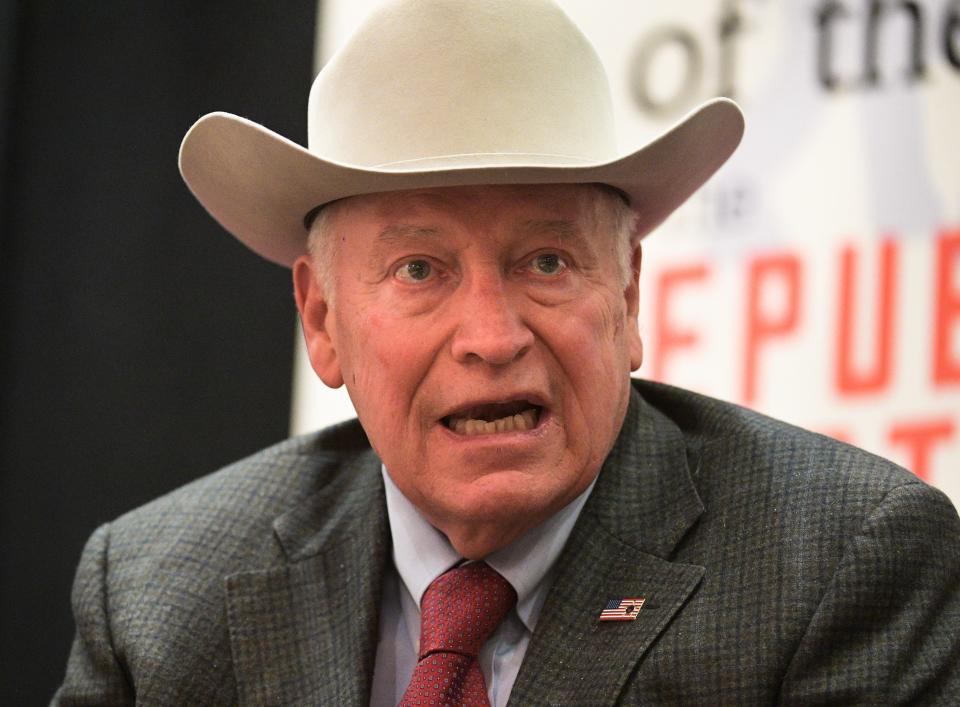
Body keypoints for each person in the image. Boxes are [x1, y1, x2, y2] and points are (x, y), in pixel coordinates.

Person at [54, 0, 960, 704]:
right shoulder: (154, 595)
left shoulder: (842, 566)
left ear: (630, 295)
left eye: (547, 261)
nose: (492, 337)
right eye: (420, 269)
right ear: (322, 320)